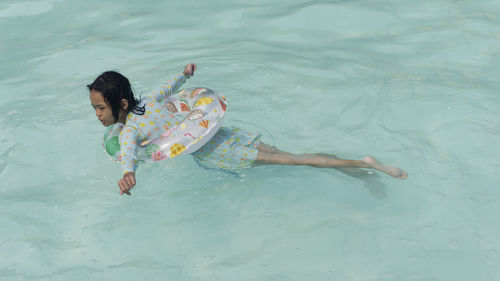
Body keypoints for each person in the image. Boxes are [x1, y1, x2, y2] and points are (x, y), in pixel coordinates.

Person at [88, 63, 407, 196]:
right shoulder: (149, 101)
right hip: (221, 132)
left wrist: (128, 174)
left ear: (123, 105)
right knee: (292, 156)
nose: (98, 115)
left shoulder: (128, 131)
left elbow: (127, 153)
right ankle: (355, 170)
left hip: (220, 150)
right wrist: (185, 74)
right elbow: (170, 87)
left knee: (293, 162)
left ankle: (363, 164)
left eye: (101, 108)